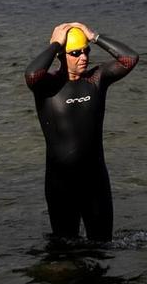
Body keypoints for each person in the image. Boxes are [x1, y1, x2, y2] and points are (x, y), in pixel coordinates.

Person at [24, 21, 140, 241]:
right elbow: (31, 74)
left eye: (86, 51)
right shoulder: (47, 86)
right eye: (76, 53)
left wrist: (94, 36)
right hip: (60, 184)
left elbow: (130, 59)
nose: (83, 57)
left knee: (102, 249)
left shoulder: (96, 79)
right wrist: (56, 44)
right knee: (65, 250)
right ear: (61, 55)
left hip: (95, 181)